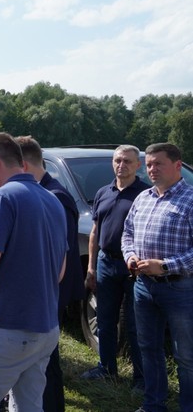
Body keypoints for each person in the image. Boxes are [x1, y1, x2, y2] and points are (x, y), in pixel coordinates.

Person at [0, 133, 66, 411]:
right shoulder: (53, 199)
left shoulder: (1, 197)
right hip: (45, 329)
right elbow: (58, 272)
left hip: (7, 329)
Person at [17, 135, 85, 412]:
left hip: (50, 290)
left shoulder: (54, 196)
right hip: (43, 289)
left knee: (46, 359)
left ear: (22, 165)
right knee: (40, 357)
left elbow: (59, 253)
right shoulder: (41, 192)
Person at [123, 143, 193, 412]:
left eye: (158, 164)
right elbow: (128, 233)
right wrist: (130, 256)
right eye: (149, 164)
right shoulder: (143, 197)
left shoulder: (190, 199)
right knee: (148, 348)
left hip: (180, 288)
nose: (151, 169)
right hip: (143, 286)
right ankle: (153, 404)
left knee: (186, 355)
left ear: (177, 165)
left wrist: (164, 266)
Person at [81, 145, 147, 393]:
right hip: (106, 262)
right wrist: (91, 267)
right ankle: (106, 368)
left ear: (138, 165)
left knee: (135, 324)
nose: (122, 165)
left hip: (134, 267)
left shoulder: (145, 194)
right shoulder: (103, 192)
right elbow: (94, 232)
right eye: (118, 160)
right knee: (105, 319)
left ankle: (141, 378)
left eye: (128, 161)